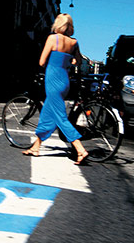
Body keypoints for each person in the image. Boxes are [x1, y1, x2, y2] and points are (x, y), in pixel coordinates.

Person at [23, 13, 89, 164]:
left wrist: (52, 65)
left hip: (52, 80)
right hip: (65, 81)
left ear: (58, 24)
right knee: (48, 113)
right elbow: (78, 62)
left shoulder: (52, 38)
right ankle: (36, 147)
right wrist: (67, 61)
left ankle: (80, 149)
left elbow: (41, 62)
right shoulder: (74, 42)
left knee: (60, 117)